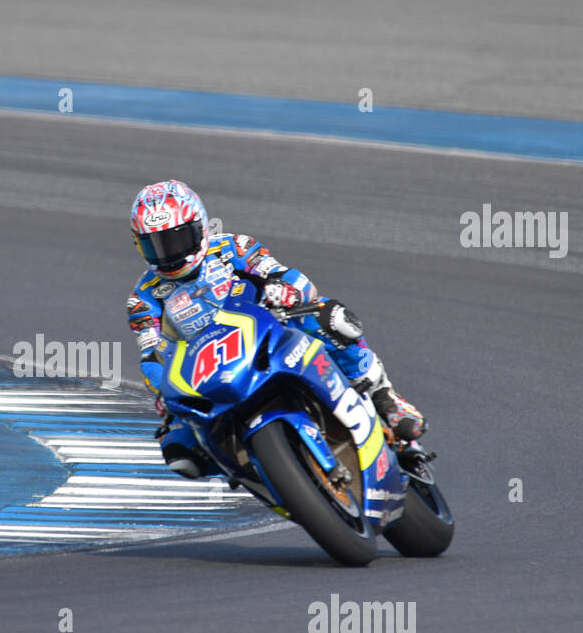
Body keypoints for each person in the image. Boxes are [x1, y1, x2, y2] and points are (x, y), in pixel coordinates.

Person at [126, 179, 426, 479]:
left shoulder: (232, 248)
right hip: (209, 372)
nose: (169, 253)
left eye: (176, 240)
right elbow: (151, 355)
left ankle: (383, 395)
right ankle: (259, 471)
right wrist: (163, 389)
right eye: (155, 245)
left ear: (200, 227)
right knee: (179, 453)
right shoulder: (143, 298)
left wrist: (285, 289)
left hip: (268, 334)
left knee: (331, 318)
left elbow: (290, 277)